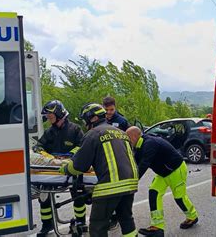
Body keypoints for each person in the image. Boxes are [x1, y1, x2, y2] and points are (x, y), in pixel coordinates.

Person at [60, 103, 138, 237]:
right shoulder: (121, 133)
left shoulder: (93, 134)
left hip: (111, 185)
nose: (85, 124)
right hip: (130, 183)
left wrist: (65, 169)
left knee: (98, 225)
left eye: (85, 120)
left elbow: (79, 166)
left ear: (93, 118)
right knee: (126, 220)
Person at [126, 126, 199, 237]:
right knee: (154, 193)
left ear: (135, 136)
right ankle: (157, 227)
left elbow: (144, 164)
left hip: (176, 169)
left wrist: (132, 182)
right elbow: (135, 162)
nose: (127, 141)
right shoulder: (140, 145)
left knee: (180, 197)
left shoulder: (149, 143)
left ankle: (192, 217)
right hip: (164, 173)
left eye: (128, 138)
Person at [33, 100, 86, 236]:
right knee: (44, 196)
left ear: (59, 114)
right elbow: (38, 147)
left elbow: (83, 145)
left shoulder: (75, 129)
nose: (49, 119)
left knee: (78, 195)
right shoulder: (50, 132)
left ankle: (81, 222)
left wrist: (70, 156)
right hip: (53, 169)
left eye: (50, 116)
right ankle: (47, 224)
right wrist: (48, 157)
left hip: (72, 167)